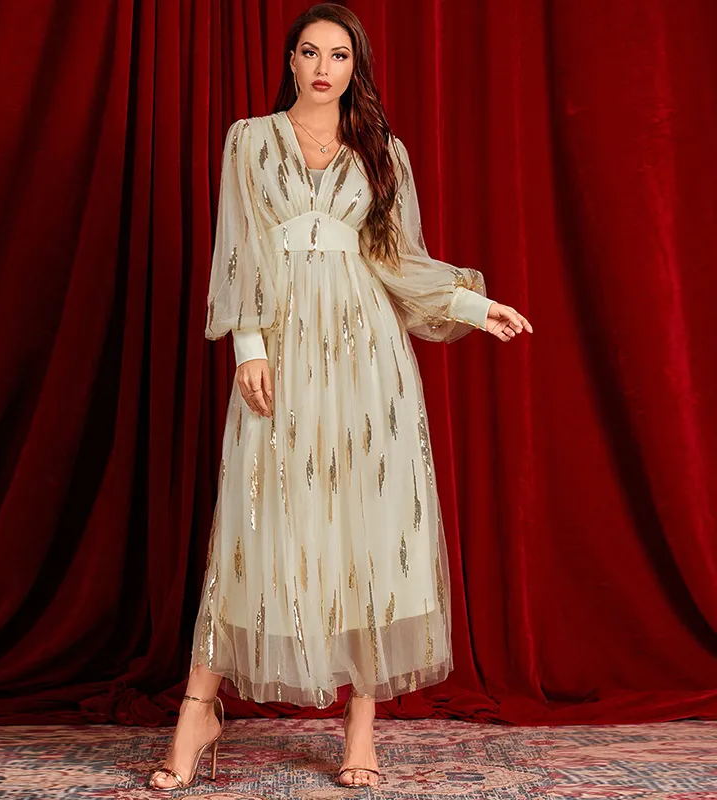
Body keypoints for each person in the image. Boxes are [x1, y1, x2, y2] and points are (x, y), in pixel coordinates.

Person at [147, 2, 532, 792]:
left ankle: (362, 722)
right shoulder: (250, 141)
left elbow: (398, 260)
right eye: (310, 52)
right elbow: (239, 248)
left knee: (367, 523)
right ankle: (199, 708)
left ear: (356, 69)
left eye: (340, 56)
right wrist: (249, 346)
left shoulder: (382, 151)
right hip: (283, 350)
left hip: (367, 357)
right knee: (258, 518)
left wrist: (472, 304)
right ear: (289, 60)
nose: (324, 68)